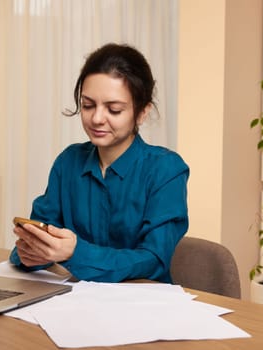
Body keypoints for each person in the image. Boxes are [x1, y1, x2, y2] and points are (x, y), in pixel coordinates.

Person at [10, 43, 189, 283]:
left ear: (142, 112)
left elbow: (154, 259)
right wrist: (31, 252)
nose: (96, 118)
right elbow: (42, 233)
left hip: (141, 306)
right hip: (73, 303)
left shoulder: (166, 169)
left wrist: (75, 253)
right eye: (88, 105)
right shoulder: (68, 162)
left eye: (114, 109)